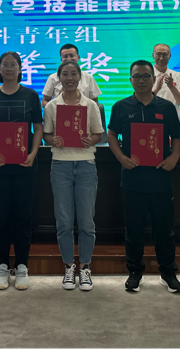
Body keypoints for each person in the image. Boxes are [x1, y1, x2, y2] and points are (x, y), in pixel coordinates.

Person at [107, 60, 180, 294]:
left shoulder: (166, 107)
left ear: (153, 79)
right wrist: (121, 157)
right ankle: (134, 272)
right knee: (134, 230)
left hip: (161, 178)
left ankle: (168, 272)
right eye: (137, 76)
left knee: (164, 230)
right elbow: (112, 134)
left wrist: (174, 157)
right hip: (132, 179)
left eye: (146, 76)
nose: (141, 80)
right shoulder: (120, 106)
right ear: (130, 80)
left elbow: (177, 136)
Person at [0, 52, 43, 290]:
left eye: (13, 64)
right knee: (1, 218)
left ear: (20, 68)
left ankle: (22, 265)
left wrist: (33, 153)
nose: (8, 68)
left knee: (23, 217)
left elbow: (38, 127)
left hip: (25, 166)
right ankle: (3, 265)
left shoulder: (31, 95)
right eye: (4, 64)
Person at [42, 60, 104, 291]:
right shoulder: (52, 106)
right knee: (64, 221)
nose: (69, 78)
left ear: (80, 77)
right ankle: (69, 265)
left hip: (86, 164)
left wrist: (90, 140)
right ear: (59, 79)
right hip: (61, 165)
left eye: (73, 74)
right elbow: (46, 135)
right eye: (65, 74)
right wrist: (53, 140)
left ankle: (85, 266)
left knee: (87, 221)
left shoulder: (90, 105)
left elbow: (99, 134)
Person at [152, 43, 180, 115]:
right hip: (152, 118)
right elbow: (143, 100)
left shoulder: (178, 76)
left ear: (169, 56)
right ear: (153, 55)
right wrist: (157, 89)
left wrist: (172, 87)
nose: (161, 58)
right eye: (158, 54)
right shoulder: (147, 75)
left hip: (172, 118)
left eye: (165, 55)